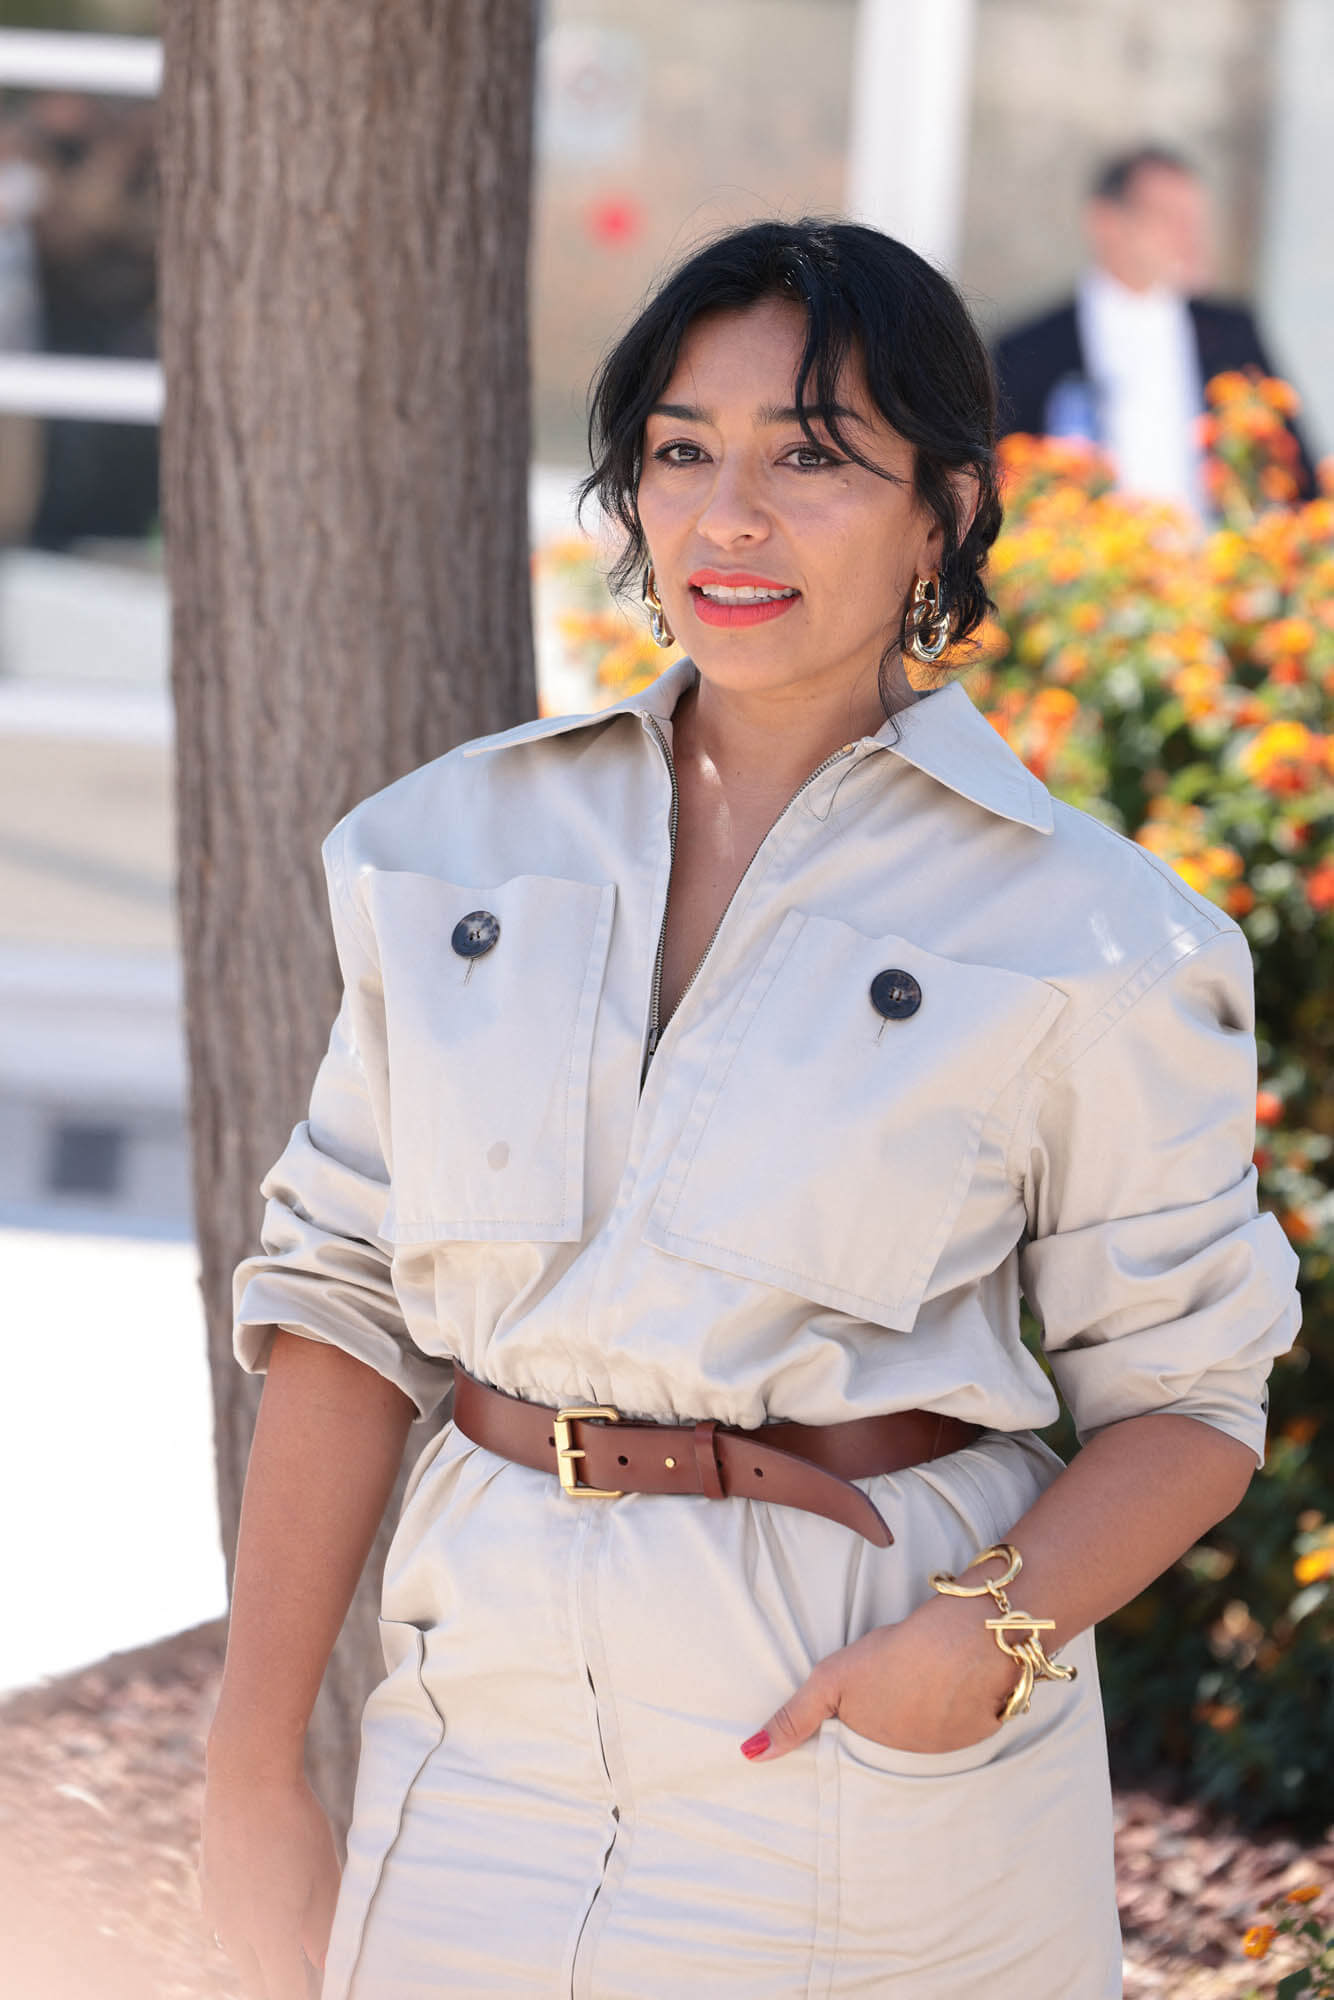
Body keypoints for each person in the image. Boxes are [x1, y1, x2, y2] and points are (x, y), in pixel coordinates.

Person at [202, 218, 1300, 1999]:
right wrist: (252, 1768)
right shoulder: (447, 848)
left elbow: (1185, 1400)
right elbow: (336, 1304)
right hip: (474, 1737)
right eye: (679, 451)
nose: (727, 518)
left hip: (846, 1746)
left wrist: (979, 1640)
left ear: (941, 510)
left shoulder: (1093, 934)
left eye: (809, 457)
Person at [992, 145, 1313, 510]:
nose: (1188, 236)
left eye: (1194, 220)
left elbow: (1294, 468)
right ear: (1106, 222)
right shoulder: (1030, 348)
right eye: (1168, 217)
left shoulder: (1231, 334)